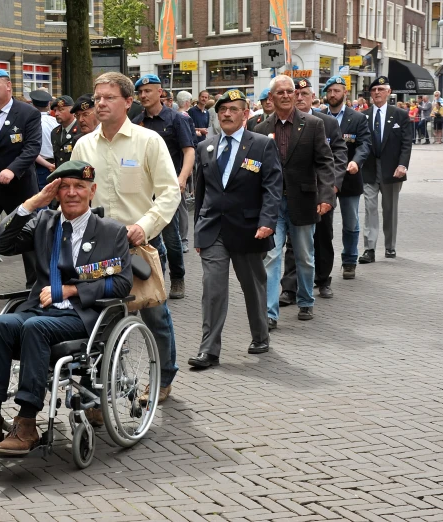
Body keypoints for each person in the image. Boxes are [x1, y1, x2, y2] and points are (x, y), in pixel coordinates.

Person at [0, 161, 132, 455]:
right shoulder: (43, 222)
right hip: (39, 310)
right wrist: (33, 203)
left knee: (33, 328)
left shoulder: (111, 231)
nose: (71, 193)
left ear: (92, 191)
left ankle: (27, 422)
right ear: (55, 194)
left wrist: (71, 289)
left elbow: (121, 284)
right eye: (64, 187)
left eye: (79, 187)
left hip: (80, 315)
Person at [71, 72, 181, 405]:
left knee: (155, 314)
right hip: (97, 250)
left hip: (140, 245)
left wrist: (144, 226)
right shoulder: (84, 145)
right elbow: (74, 193)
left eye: (108, 97)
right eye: (97, 97)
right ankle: (105, 384)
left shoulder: (148, 141)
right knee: (101, 320)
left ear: (128, 102)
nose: (100, 103)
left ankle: (163, 377)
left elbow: (169, 192)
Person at [187, 89, 282, 369]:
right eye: (222, 109)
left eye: (233, 109)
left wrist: (267, 222)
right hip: (213, 229)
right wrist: (198, 230)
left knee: (252, 286)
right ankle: (209, 350)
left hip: (249, 228)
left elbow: (272, 187)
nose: (226, 113)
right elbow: (202, 194)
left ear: (245, 114)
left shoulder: (262, 144)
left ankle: (260, 335)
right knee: (212, 289)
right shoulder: (207, 146)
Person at [253, 75, 335, 329]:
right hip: (272, 204)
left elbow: (324, 161)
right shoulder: (258, 129)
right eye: (282, 92)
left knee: (304, 255)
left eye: (291, 91)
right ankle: (270, 313)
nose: (288, 96)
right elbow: (255, 168)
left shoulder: (313, 124)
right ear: (272, 98)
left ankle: (306, 300)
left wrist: (326, 195)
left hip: (304, 199)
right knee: (271, 256)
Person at [0, 69, 42, 308]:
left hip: (19, 190)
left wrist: (13, 169)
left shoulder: (28, 113)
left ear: (9, 87)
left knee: (29, 237)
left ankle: (34, 289)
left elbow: (32, 147)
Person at [281, 78, 347, 300]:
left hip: (321, 192)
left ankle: (323, 279)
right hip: (296, 192)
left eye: (304, 94)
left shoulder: (325, 122)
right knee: (293, 242)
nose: (299, 98)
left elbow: (338, 156)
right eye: (296, 94)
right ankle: (290, 288)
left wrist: (333, 186)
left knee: (322, 237)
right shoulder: (284, 122)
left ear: (313, 97)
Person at [131, 74, 194, 300]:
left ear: (160, 93)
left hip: (168, 189)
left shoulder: (176, 119)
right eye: (140, 92)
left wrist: (182, 178)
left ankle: (178, 277)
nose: (143, 95)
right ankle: (157, 278)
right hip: (144, 190)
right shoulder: (137, 122)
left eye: (148, 91)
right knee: (149, 238)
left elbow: (189, 151)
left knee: (171, 238)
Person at [321, 76, 372, 281]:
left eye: (337, 91)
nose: (333, 94)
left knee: (350, 222)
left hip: (350, 178)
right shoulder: (318, 118)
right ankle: (323, 265)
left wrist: (356, 162)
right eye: (330, 91)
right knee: (324, 224)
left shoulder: (357, 118)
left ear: (345, 93)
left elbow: (365, 144)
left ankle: (349, 260)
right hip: (326, 180)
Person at [359, 76, 412, 263]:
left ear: (389, 92)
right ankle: (369, 248)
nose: (377, 93)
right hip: (369, 169)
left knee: (390, 209)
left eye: (381, 89)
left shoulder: (400, 115)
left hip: (392, 169)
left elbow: (406, 143)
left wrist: (402, 165)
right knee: (370, 208)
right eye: (374, 90)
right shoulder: (363, 116)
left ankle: (390, 246)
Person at [30, 89, 59, 190]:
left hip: (41, 166)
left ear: (32, 104)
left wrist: (48, 165)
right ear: (48, 105)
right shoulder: (55, 121)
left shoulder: (32, 123)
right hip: (56, 164)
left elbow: (31, 150)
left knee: (40, 200)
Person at [50, 95, 81, 168]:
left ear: (72, 110)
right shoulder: (55, 132)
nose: (56, 113)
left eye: (61, 110)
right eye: (55, 110)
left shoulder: (81, 130)